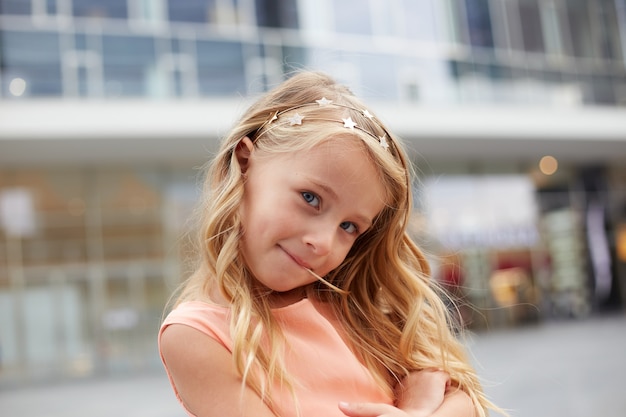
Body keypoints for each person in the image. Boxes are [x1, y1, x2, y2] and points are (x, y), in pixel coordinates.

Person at [159, 71, 502, 417]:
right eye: (311, 198)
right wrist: (415, 406)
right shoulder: (198, 335)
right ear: (245, 163)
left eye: (349, 226)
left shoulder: (359, 307)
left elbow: (463, 401)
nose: (323, 243)